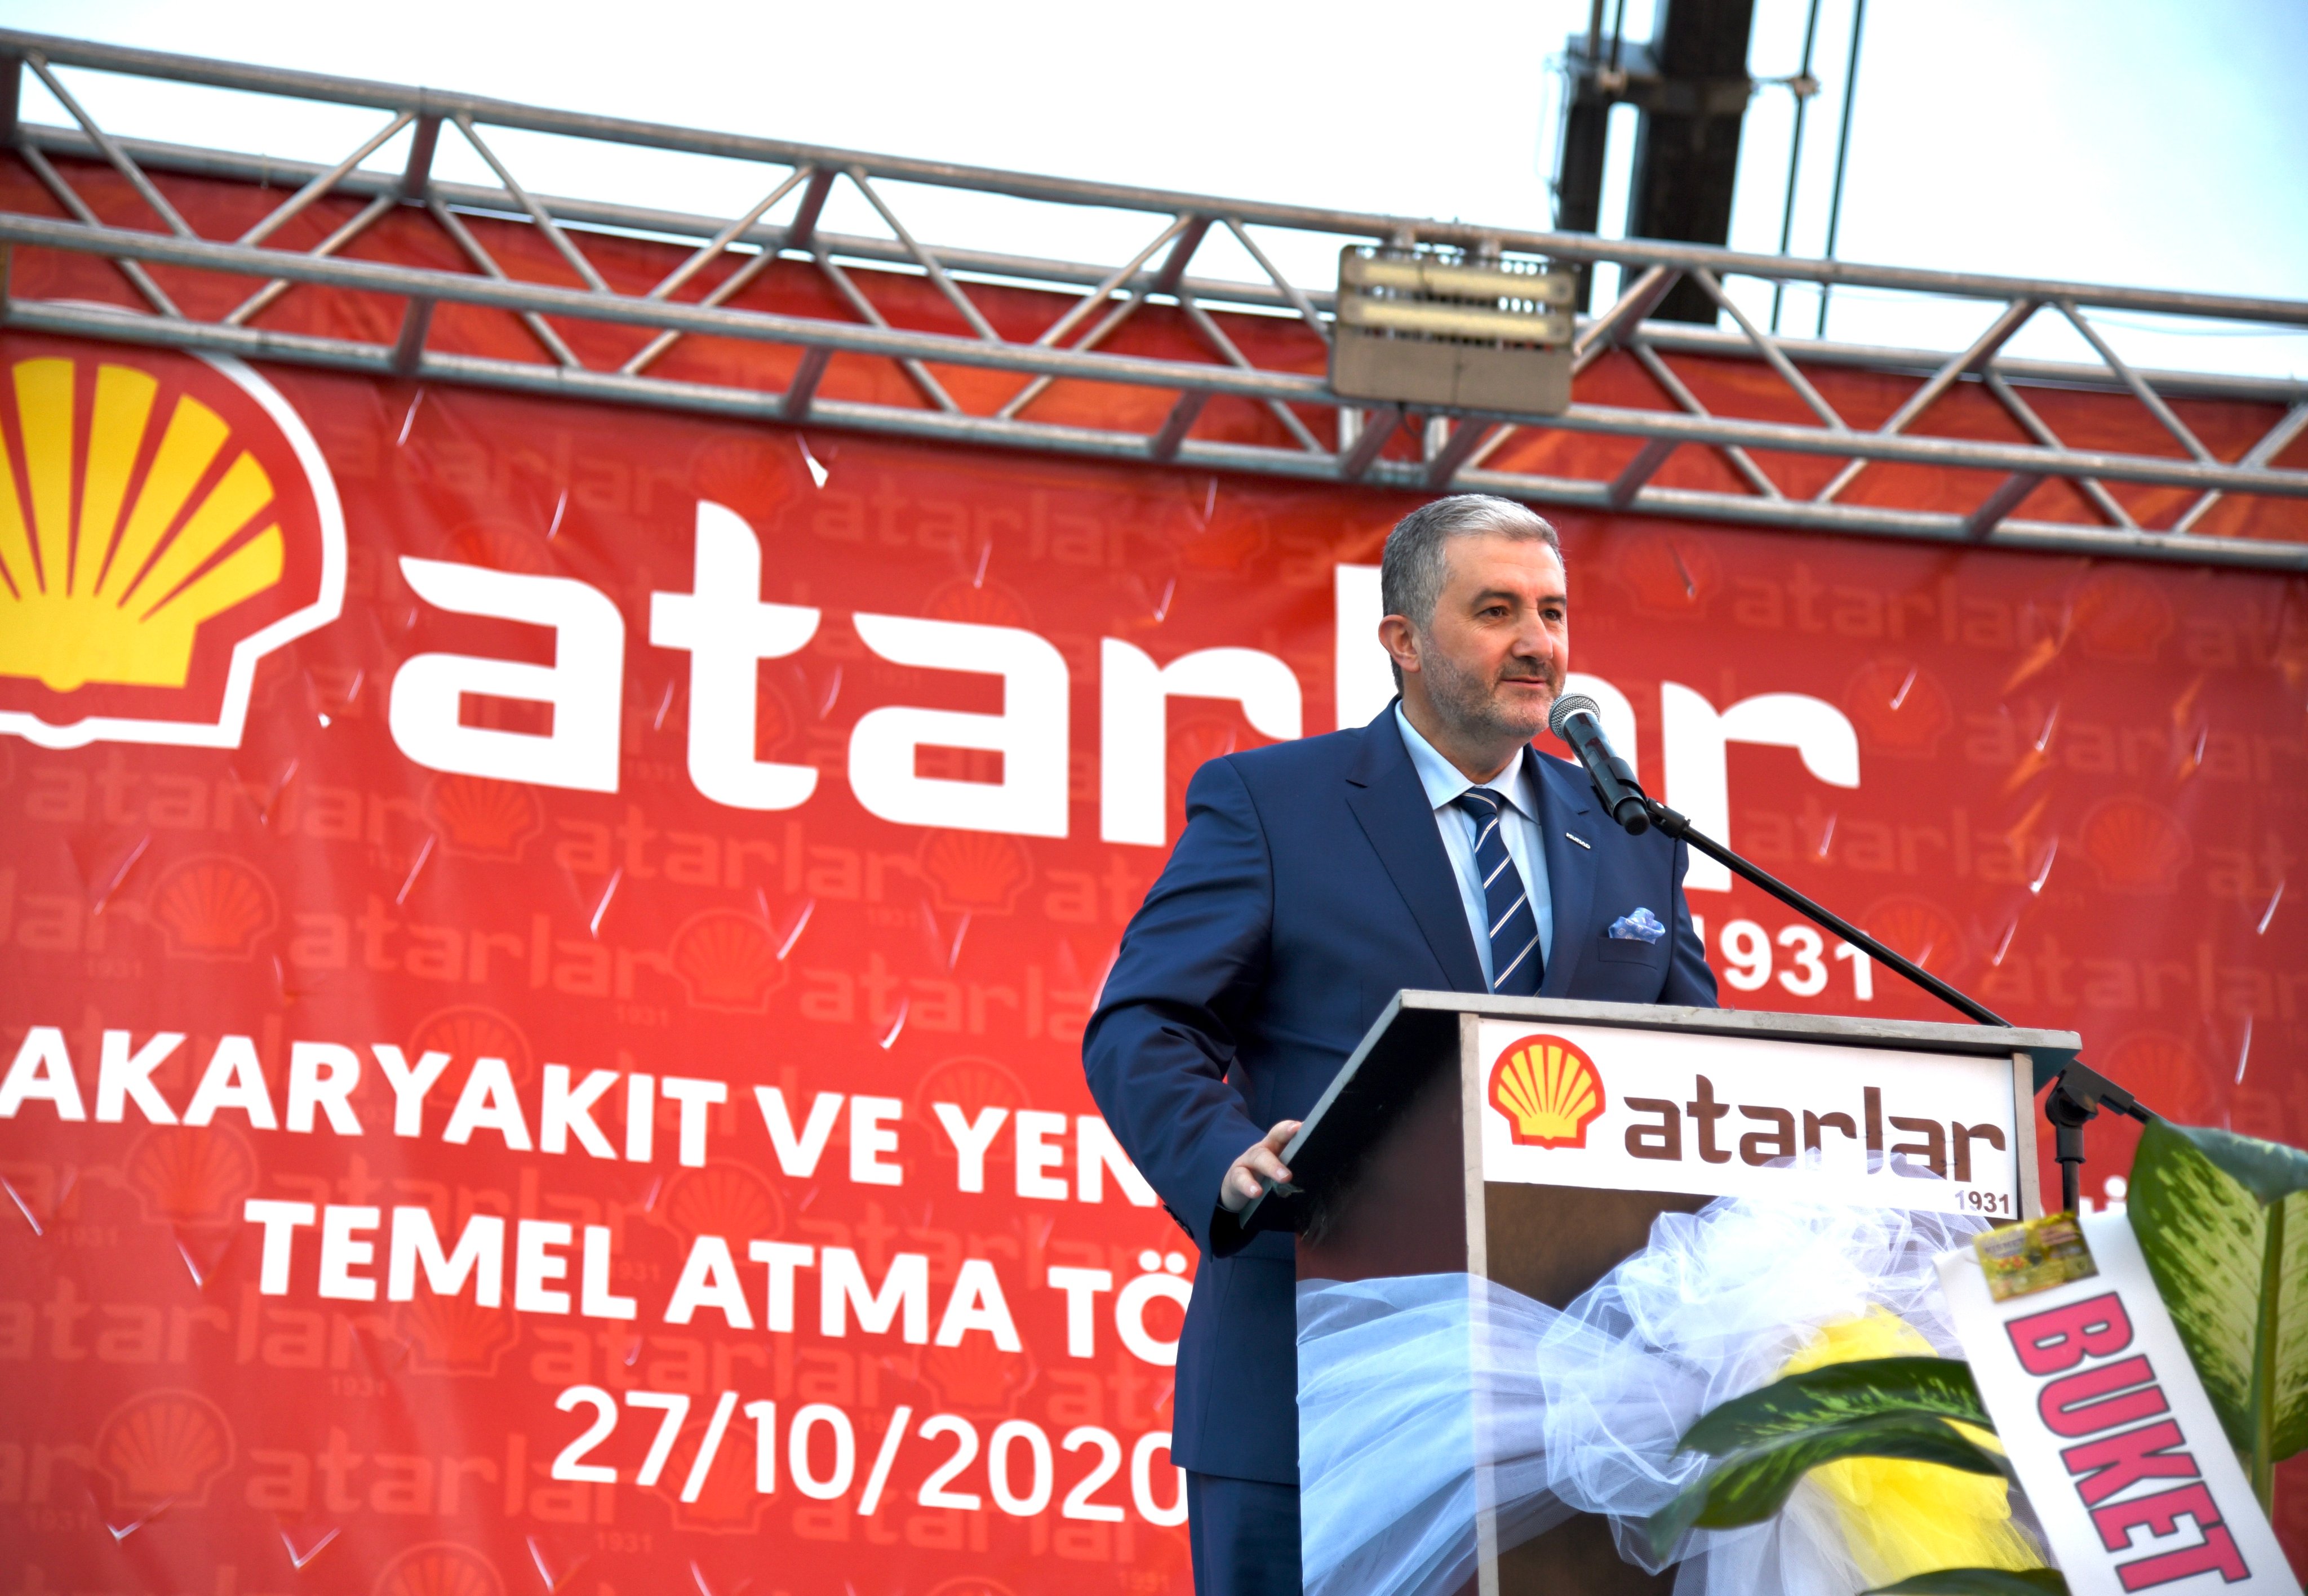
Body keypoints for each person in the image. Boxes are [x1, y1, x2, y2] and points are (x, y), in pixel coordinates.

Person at [1082, 494, 1719, 1594]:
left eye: (1552, 611)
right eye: (1496, 610)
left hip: (1575, 1407)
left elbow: (1699, 1070)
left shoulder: (1630, 840)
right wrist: (1223, 1160)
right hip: (1310, 1372)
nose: (1538, 642)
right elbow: (1145, 1022)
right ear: (1404, 639)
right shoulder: (1272, 803)